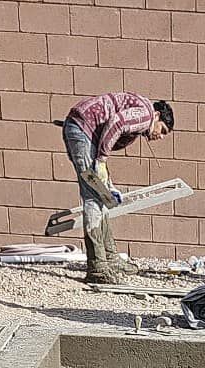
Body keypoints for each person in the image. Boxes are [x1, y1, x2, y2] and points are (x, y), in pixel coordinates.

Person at [59, 92, 175, 285]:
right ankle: (97, 267)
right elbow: (117, 123)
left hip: (82, 129)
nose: (160, 137)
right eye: (162, 130)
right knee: (93, 197)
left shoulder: (140, 118)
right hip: (82, 129)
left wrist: (109, 185)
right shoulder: (146, 115)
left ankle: (110, 257)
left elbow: (110, 131)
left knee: (101, 194)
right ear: (157, 116)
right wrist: (102, 161)